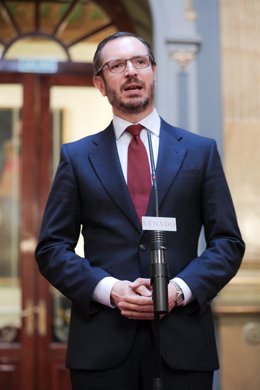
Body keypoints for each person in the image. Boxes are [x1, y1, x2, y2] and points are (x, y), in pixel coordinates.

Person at [35, 31, 245, 390]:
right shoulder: (77, 158)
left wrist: (179, 289)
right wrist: (110, 289)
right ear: (100, 84)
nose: (131, 72)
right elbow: (52, 249)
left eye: (140, 62)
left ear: (154, 71)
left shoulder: (199, 152)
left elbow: (227, 242)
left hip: (183, 345)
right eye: (117, 65)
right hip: (101, 346)